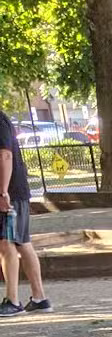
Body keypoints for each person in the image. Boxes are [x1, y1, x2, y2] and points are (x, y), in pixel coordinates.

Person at [0, 105, 51, 315]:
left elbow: (5, 155)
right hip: (14, 192)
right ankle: (39, 298)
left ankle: (12, 300)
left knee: (7, 242)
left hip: (11, 192)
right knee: (21, 241)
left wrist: (3, 191)